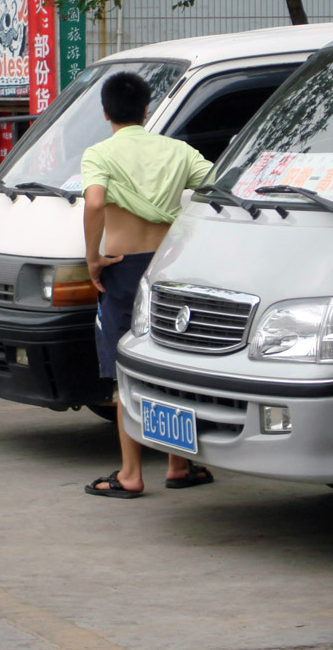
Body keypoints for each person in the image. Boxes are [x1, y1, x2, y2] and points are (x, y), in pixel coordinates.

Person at [81, 71, 215, 498]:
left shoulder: (99, 153)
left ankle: (131, 474)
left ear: (106, 112)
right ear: (146, 109)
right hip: (168, 271)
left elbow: (96, 202)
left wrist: (93, 259)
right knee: (168, 366)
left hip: (122, 269)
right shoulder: (177, 151)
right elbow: (218, 185)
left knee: (126, 374)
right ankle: (178, 464)